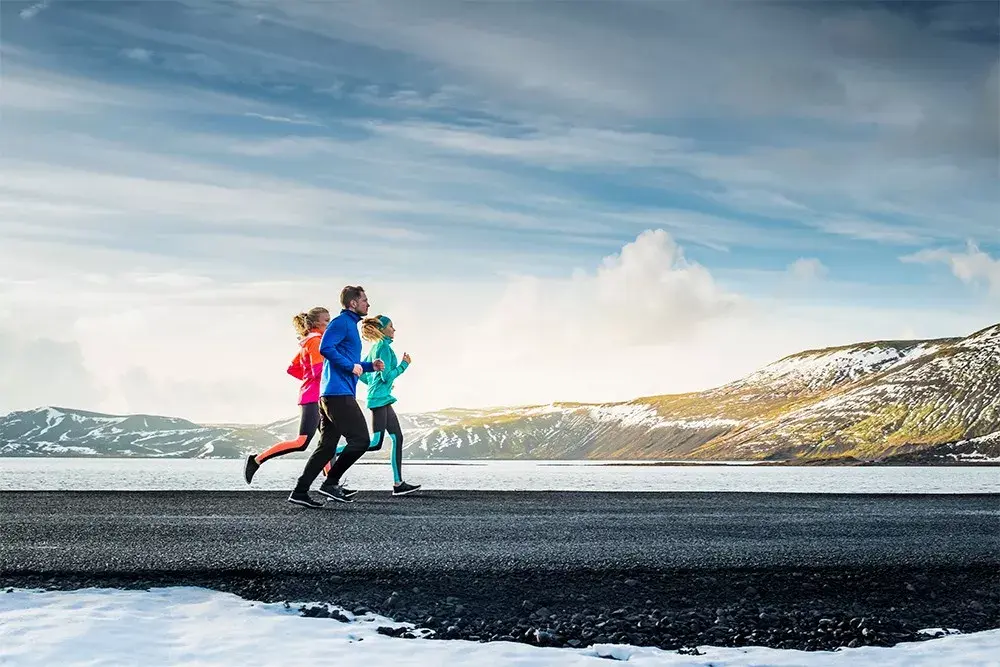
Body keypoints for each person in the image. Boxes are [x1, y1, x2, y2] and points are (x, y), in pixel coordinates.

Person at [287, 285, 385, 509]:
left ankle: (300, 491)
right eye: (364, 301)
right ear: (353, 303)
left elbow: (344, 357)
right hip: (337, 394)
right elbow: (325, 348)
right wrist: (351, 366)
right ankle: (331, 484)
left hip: (334, 393)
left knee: (327, 447)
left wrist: (370, 366)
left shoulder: (350, 324)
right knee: (360, 440)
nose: (368, 305)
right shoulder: (341, 323)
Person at [323, 315, 420, 496]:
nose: (394, 330)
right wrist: (404, 365)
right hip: (379, 400)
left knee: (397, 437)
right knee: (375, 443)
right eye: (391, 326)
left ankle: (398, 484)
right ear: (382, 330)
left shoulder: (376, 347)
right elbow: (386, 376)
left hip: (381, 398)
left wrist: (378, 385)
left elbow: (365, 375)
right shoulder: (383, 347)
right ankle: (331, 453)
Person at [243, 307, 330, 485]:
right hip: (312, 397)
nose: (330, 325)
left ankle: (330, 484)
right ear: (314, 324)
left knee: (328, 442)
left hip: (316, 396)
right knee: (302, 442)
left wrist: (308, 378)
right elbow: (318, 370)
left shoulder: (308, 343)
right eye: (326, 321)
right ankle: (257, 460)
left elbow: (293, 368)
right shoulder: (315, 342)